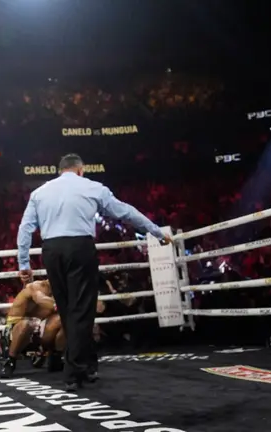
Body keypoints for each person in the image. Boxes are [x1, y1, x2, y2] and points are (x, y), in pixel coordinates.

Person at [16, 153, 171, 390]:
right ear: (80, 170)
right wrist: (157, 232)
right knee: (82, 310)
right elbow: (126, 212)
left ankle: (88, 364)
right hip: (80, 248)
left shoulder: (40, 192)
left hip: (52, 250)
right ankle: (73, 372)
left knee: (67, 310)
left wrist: (24, 263)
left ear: (60, 170)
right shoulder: (93, 187)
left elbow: (25, 228)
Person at [0, 279, 67, 378]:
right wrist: (63, 305)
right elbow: (41, 299)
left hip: (39, 331)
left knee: (65, 319)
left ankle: (55, 357)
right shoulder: (37, 287)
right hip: (16, 329)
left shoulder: (62, 291)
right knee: (27, 324)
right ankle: (10, 361)